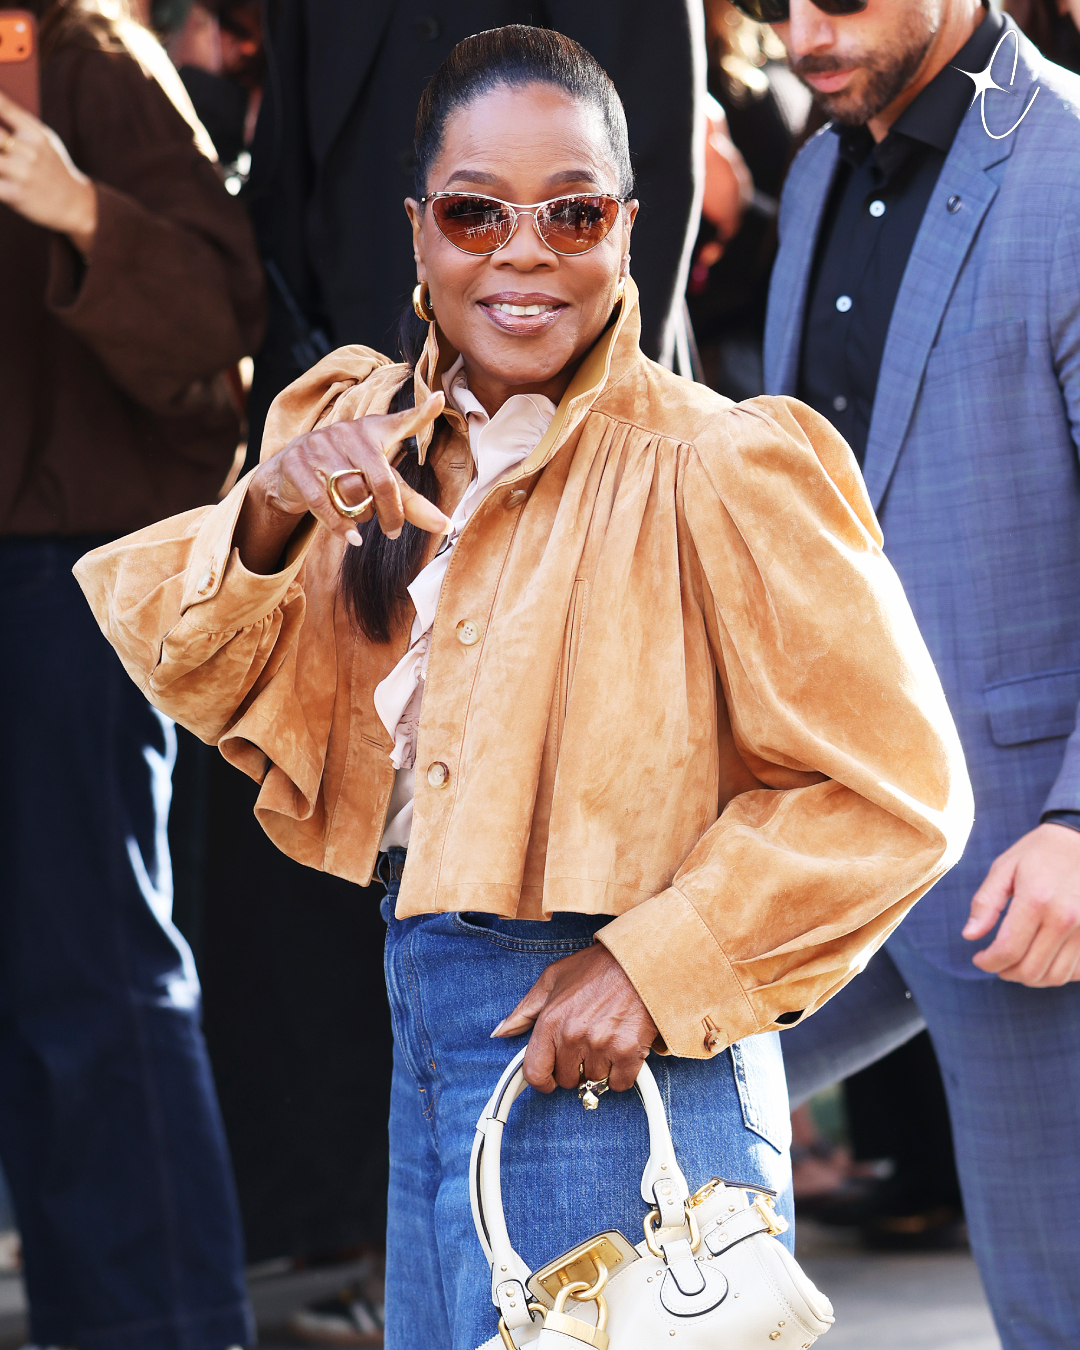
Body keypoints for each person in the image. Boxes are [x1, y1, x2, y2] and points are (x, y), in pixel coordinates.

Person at [75, 25, 972, 1350]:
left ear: (628, 225)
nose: (523, 250)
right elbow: (196, 669)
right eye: (475, 212)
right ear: (418, 229)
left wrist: (656, 964)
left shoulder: (721, 465)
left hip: (619, 1070)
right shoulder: (358, 434)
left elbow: (899, 793)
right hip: (433, 1042)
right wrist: (268, 507)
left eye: (573, 211)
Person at [759, 0, 1080, 1343]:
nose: (797, 31)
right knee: (665, 1097)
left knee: (1055, 1297)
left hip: (1022, 858)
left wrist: (1078, 820)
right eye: (772, 1)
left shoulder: (1066, 167)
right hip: (832, 830)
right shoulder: (818, 167)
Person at [0, 1, 265, 1348]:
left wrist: (76, 207)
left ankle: (158, 1325)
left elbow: (224, 321)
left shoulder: (82, 55)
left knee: (93, 978)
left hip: (53, 584)